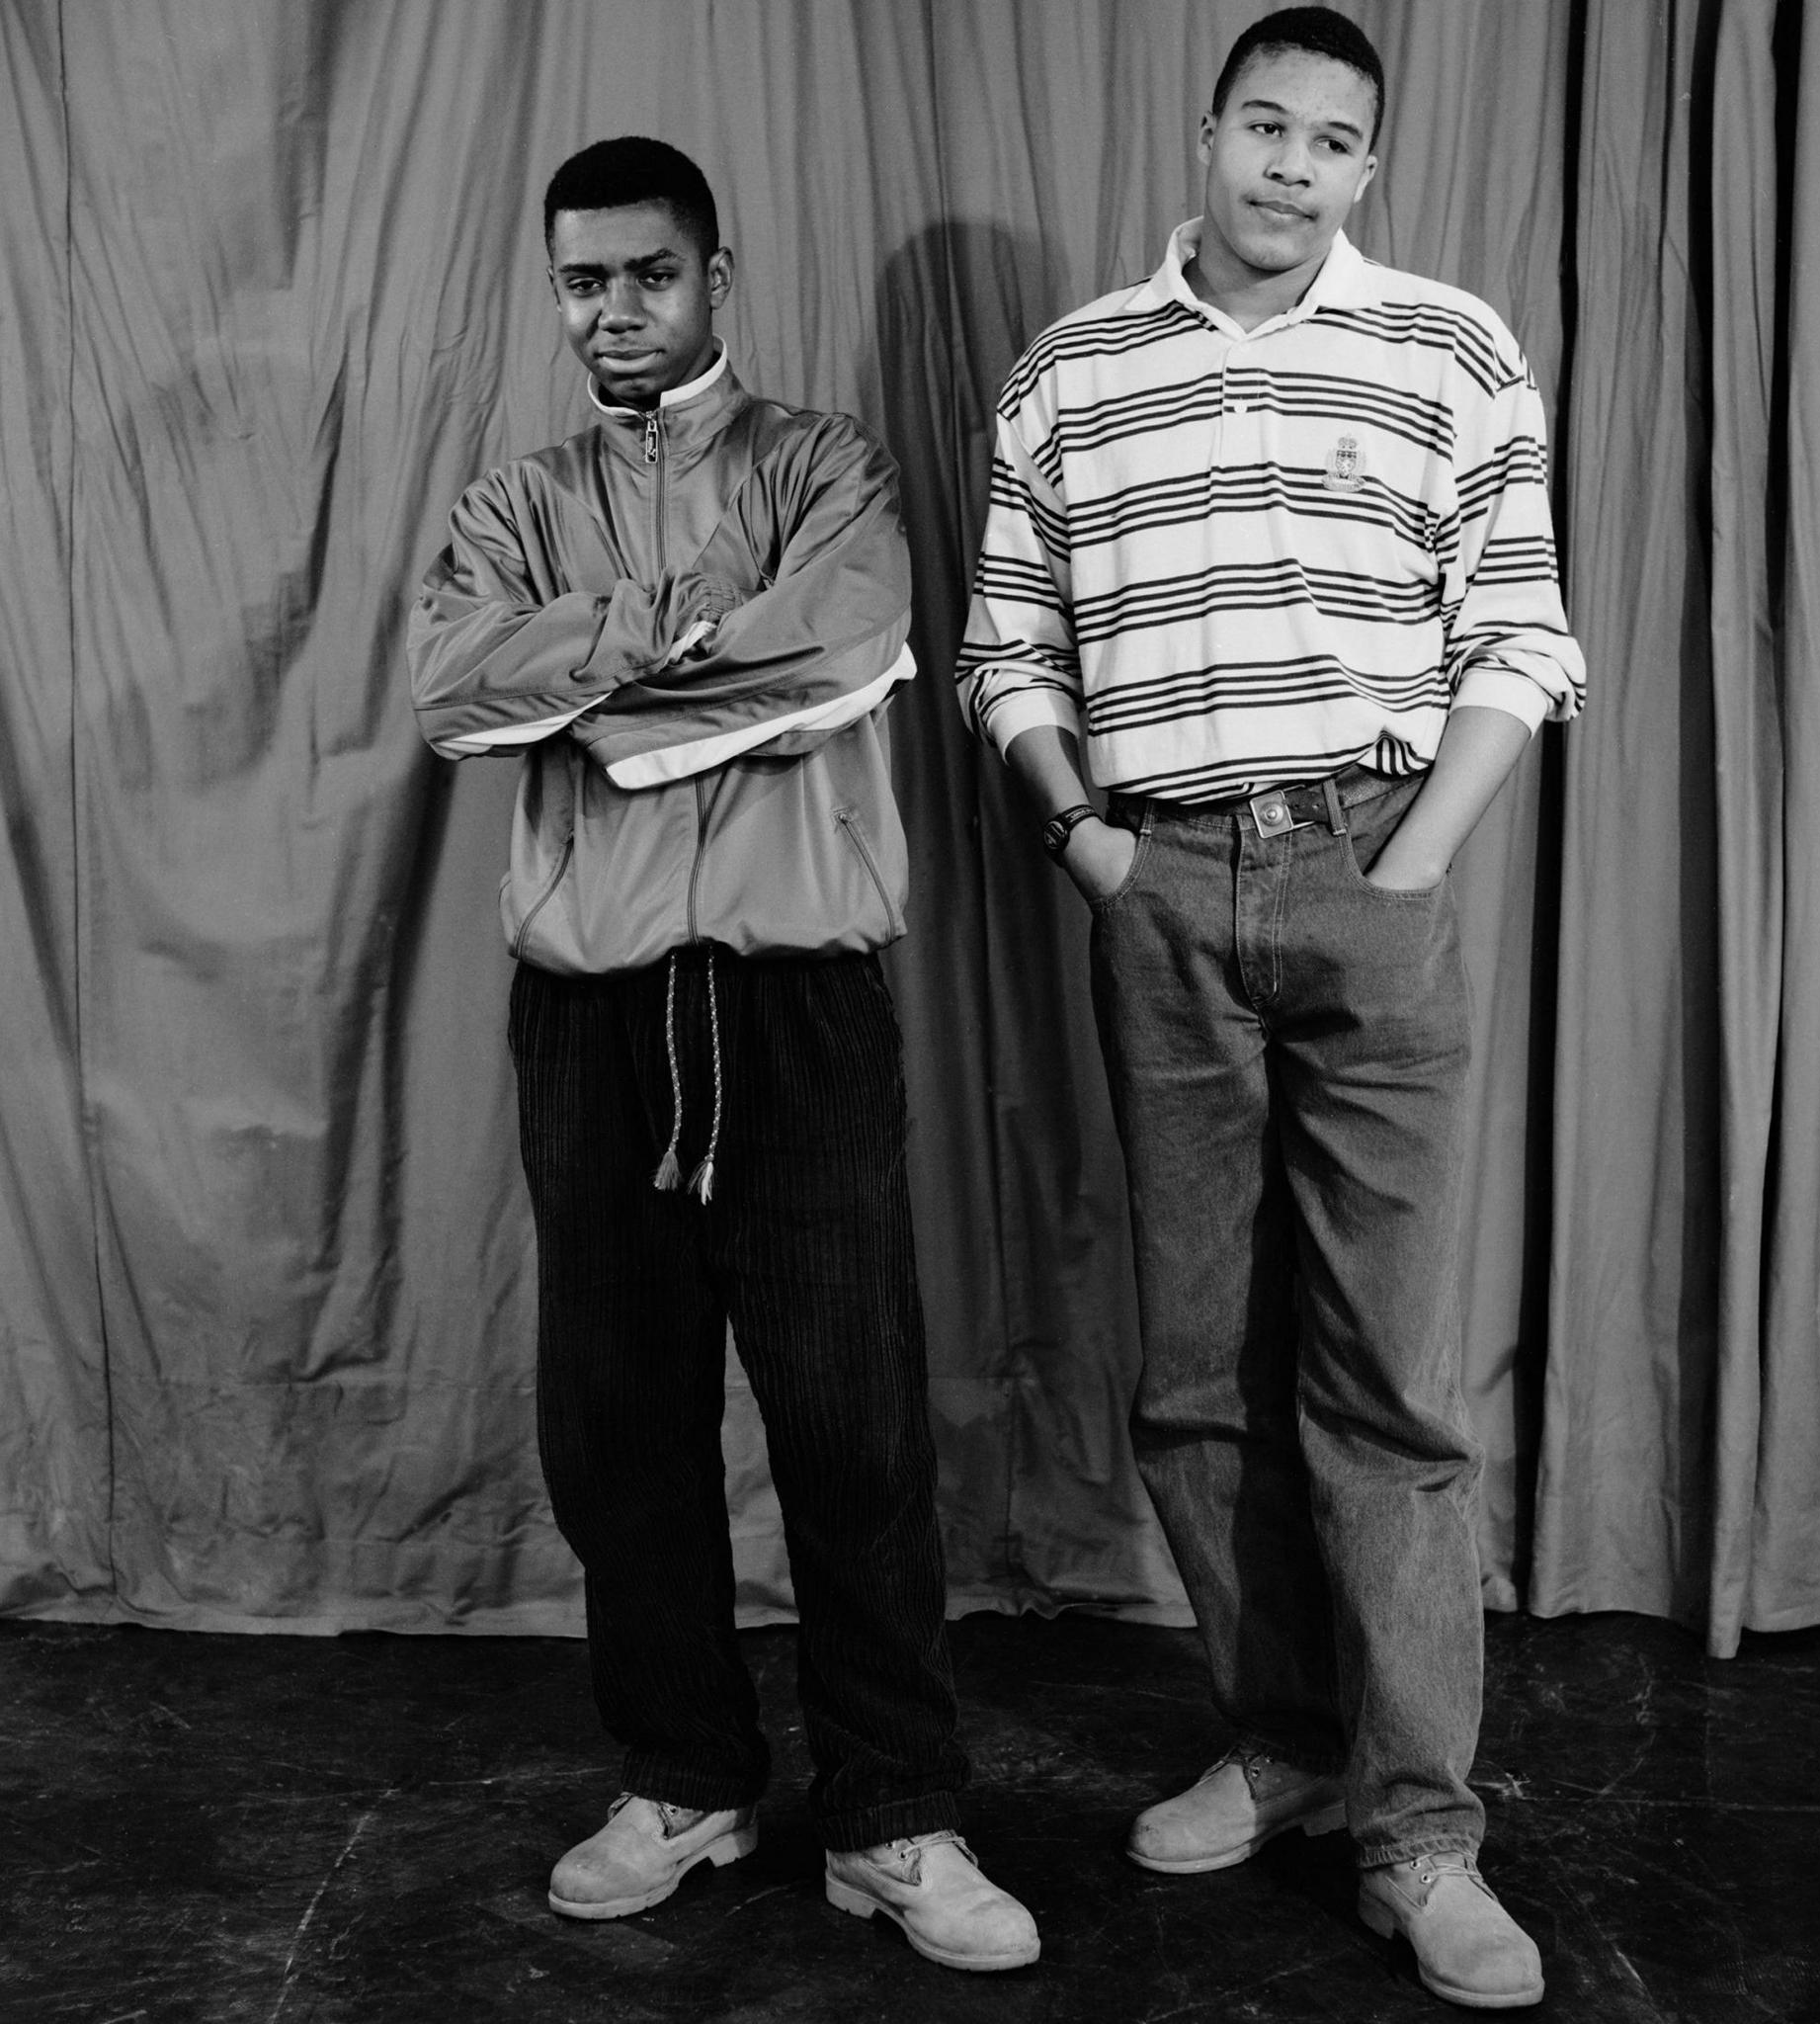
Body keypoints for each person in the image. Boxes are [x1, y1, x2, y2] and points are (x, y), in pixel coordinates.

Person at [958, 10, 1583, 2009]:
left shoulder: (1452, 349)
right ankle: (1287, 1739)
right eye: (1264, 125)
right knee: (1195, 1373)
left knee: (1387, 1385)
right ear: (1208, 132)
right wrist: (1089, 847)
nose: (1293, 165)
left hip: (1371, 859)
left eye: (1335, 140)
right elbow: (1002, 642)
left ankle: (1419, 1834)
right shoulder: (1072, 371)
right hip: (1156, 882)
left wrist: (1407, 877)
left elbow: (1520, 625)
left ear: (1368, 168)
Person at [409, 135, 1037, 1976]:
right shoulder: (516, 498)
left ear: (716, 277)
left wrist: (589, 701)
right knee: (619, 1429)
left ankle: (897, 1815)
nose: (617, 311)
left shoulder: (823, 463)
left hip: (796, 997)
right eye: (585, 282)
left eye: (651, 277)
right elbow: (454, 688)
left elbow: (845, 650)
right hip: (598, 1016)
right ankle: (686, 1775)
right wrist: (673, 635)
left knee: (849, 1418)